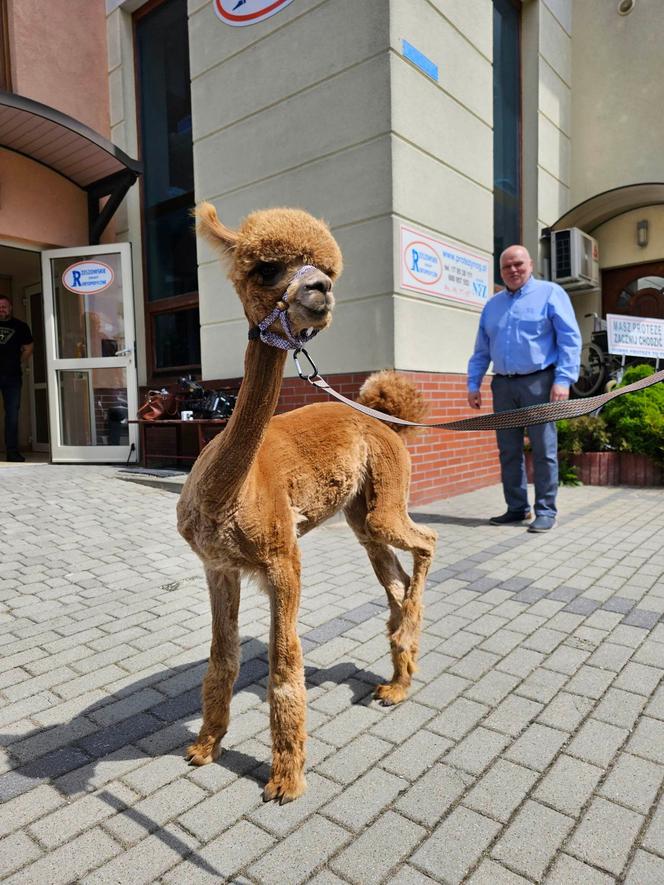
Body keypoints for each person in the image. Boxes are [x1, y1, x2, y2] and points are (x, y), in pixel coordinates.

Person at [467, 245, 581, 532]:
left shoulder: (550, 293)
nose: (513, 270)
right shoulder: (492, 305)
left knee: (544, 449)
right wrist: (474, 383)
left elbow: (569, 338)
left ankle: (546, 510)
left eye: (518, 264)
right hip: (503, 385)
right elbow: (482, 350)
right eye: (507, 267)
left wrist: (563, 379)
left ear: (530, 264)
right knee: (508, 450)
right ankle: (517, 508)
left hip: (539, 382)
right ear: (501, 271)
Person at [0, 296, 34, 462]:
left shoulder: (20, 326)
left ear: (11, 307)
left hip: (12, 377)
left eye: (4, 306)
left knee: (12, 414)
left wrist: (17, 361)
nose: (2, 309)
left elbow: (28, 348)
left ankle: (12, 452)